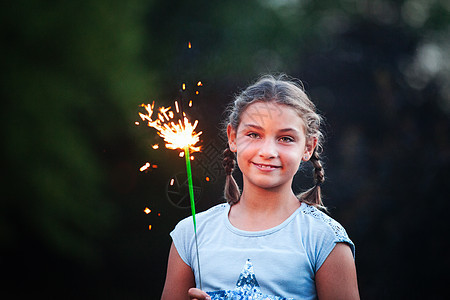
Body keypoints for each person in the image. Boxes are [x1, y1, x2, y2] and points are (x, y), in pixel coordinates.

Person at [161, 75, 360, 300]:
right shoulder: (191, 234)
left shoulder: (324, 239)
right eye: (254, 134)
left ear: (308, 147)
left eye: (285, 138)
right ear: (233, 137)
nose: (267, 151)